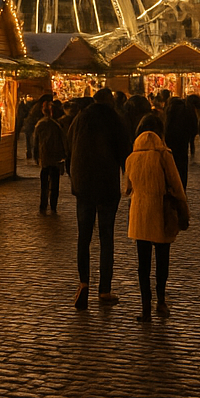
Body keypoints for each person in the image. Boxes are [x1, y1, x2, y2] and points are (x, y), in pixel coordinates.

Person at [68, 88, 130, 309]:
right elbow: (125, 152)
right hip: (106, 186)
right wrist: (129, 180)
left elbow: (69, 149)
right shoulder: (115, 119)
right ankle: (104, 288)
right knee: (106, 237)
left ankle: (83, 282)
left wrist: (73, 177)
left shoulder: (80, 118)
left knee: (83, 237)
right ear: (110, 101)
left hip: (83, 185)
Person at [126, 130, 187, 321]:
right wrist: (183, 208)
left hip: (139, 213)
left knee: (143, 264)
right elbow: (177, 185)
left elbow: (127, 188)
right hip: (161, 210)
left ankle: (145, 305)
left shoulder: (131, 158)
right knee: (162, 259)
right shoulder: (163, 155)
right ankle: (160, 300)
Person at [33, 100, 68, 213]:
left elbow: (36, 142)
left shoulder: (40, 124)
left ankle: (43, 205)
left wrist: (36, 155)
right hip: (55, 158)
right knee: (54, 183)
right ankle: (53, 205)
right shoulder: (56, 125)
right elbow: (63, 141)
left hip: (45, 157)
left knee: (44, 184)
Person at [163, 96, 199, 190]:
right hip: (183, 144)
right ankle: (182, 189)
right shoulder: (187, 111)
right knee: (182, 167)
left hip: (170, 144)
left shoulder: (170, 112)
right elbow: (194, 127)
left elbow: (166, 129)